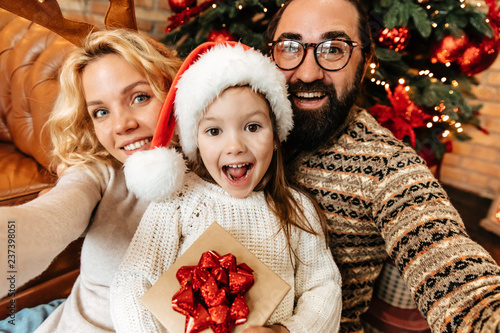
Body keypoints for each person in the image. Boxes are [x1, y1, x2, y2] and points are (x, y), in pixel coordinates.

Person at [265, 0, 500, 332]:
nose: (307, 72)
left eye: (334, 49)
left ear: (365, 61)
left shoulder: (386, 168)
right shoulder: (235, 125)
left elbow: (462, 283)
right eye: (290, 47)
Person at [110, 42, 342, 333]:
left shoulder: (297, 209)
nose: (234, 146)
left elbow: (323, 286)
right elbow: (133, 279)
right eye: (214, 131)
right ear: (196, 141)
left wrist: (284, 331)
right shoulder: (179, 199)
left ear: (275, 135)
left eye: (253, 127)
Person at [0, 29, 182, 332]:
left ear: (174, 89)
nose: (123, 124)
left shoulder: (226, 171)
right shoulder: (98, 172)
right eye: (101, 112)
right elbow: (48, 218)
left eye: (140, 97)